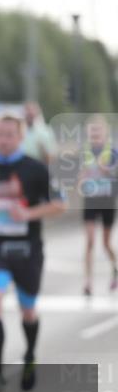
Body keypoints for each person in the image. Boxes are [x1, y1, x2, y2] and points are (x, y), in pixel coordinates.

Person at [0, 112, 63, 392]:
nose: (4, 140)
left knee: (27, 310)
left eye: (9, 135)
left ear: (21, 137)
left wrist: (28, 213)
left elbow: (60, 205)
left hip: (28, 248)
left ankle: (30, 355)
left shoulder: (35, 169)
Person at [78, 114, 118, 296]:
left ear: (105, 133)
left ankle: (115, 269)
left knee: (106, 243)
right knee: (90, 241)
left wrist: (107, 170)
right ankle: (88, 281)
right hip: (91, 199)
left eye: (98, 131)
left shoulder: (112, 152)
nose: (95, 135)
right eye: (92, 132)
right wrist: (82, 179)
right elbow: (80, 176)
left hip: (107, 200)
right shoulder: (85, 152)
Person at [20, 101, 58, 165]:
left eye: (32, 111)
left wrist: (43, 151)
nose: (30, 113)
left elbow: (51, 157)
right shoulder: (17, 131)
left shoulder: (46, 131)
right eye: (27, 110)